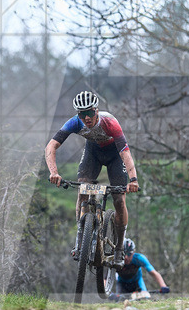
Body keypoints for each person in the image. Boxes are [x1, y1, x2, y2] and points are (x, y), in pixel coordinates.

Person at [44, 90, 139, 266]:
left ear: (96, 110)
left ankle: (119, 248)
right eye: (82, 114)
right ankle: (80, 241)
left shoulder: (109, 122)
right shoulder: (74, 123)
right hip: (93, 153)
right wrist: (54, 172)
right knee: (82, 192)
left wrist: (133, 180)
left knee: (119, 200)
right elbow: (51, 146)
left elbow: (125, 153)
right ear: (78, 114)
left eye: (89, 112)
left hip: (115, 157)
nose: (86, 118)